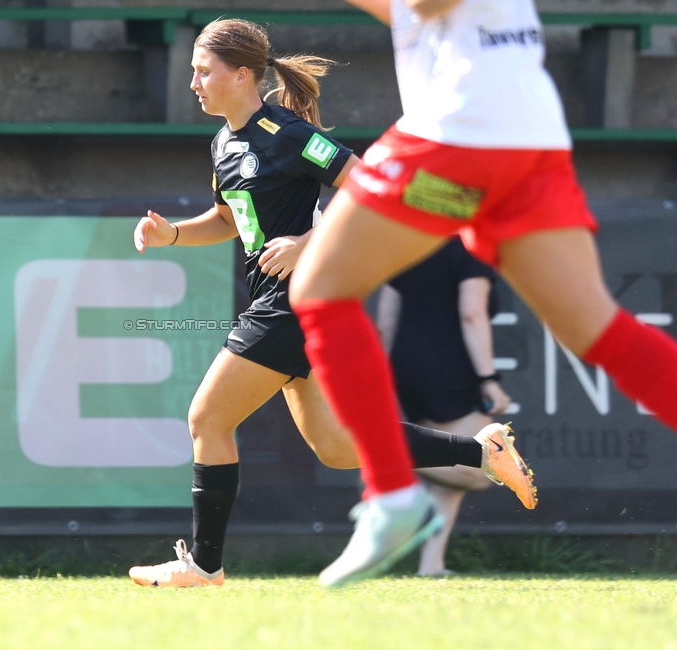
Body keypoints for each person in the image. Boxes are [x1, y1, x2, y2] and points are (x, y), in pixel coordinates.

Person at [126, 18, 535, 588]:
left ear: (242, 74)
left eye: (203, 70)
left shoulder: (289, 133)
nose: (193, 82)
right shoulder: (224, 141)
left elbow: (370, 186)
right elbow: (228, 219)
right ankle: (480, 450)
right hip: (276, 300)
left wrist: (308, 243)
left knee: (206, 418)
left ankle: (204, 564)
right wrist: (173, 234)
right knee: (339, 448)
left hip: (294, 301)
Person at [289, 0, 677, 588]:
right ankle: (394, 496)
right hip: (527, 137)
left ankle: (393, 493)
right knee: (597, 330)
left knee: (319, 291)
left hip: (463, 132)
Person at [376, 237, 526, 577]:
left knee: (452, 460)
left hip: (408, 366)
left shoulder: (408, 245)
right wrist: (489, 379)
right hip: (449, 369)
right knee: (483, 466)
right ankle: (376, 459)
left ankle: (432, 564)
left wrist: (386, 377)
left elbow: (386, 322)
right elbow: (472, 313)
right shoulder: (474, 246)